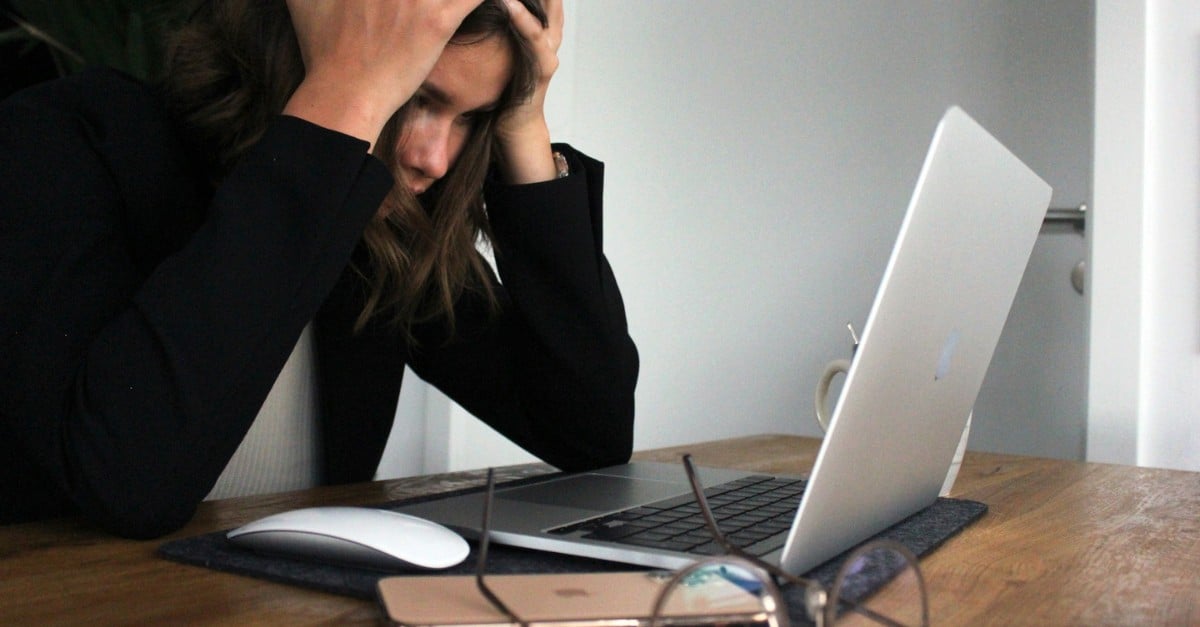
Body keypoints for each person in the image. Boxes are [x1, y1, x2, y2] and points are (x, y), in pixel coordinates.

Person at [0, 0, 638, 538]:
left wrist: (524, 122)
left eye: (472, 118)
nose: (436, 159)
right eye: (415, 96)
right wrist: (348, 96)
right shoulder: (64, 141)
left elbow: (589, 432)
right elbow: (126, 484)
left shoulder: (379, 234)